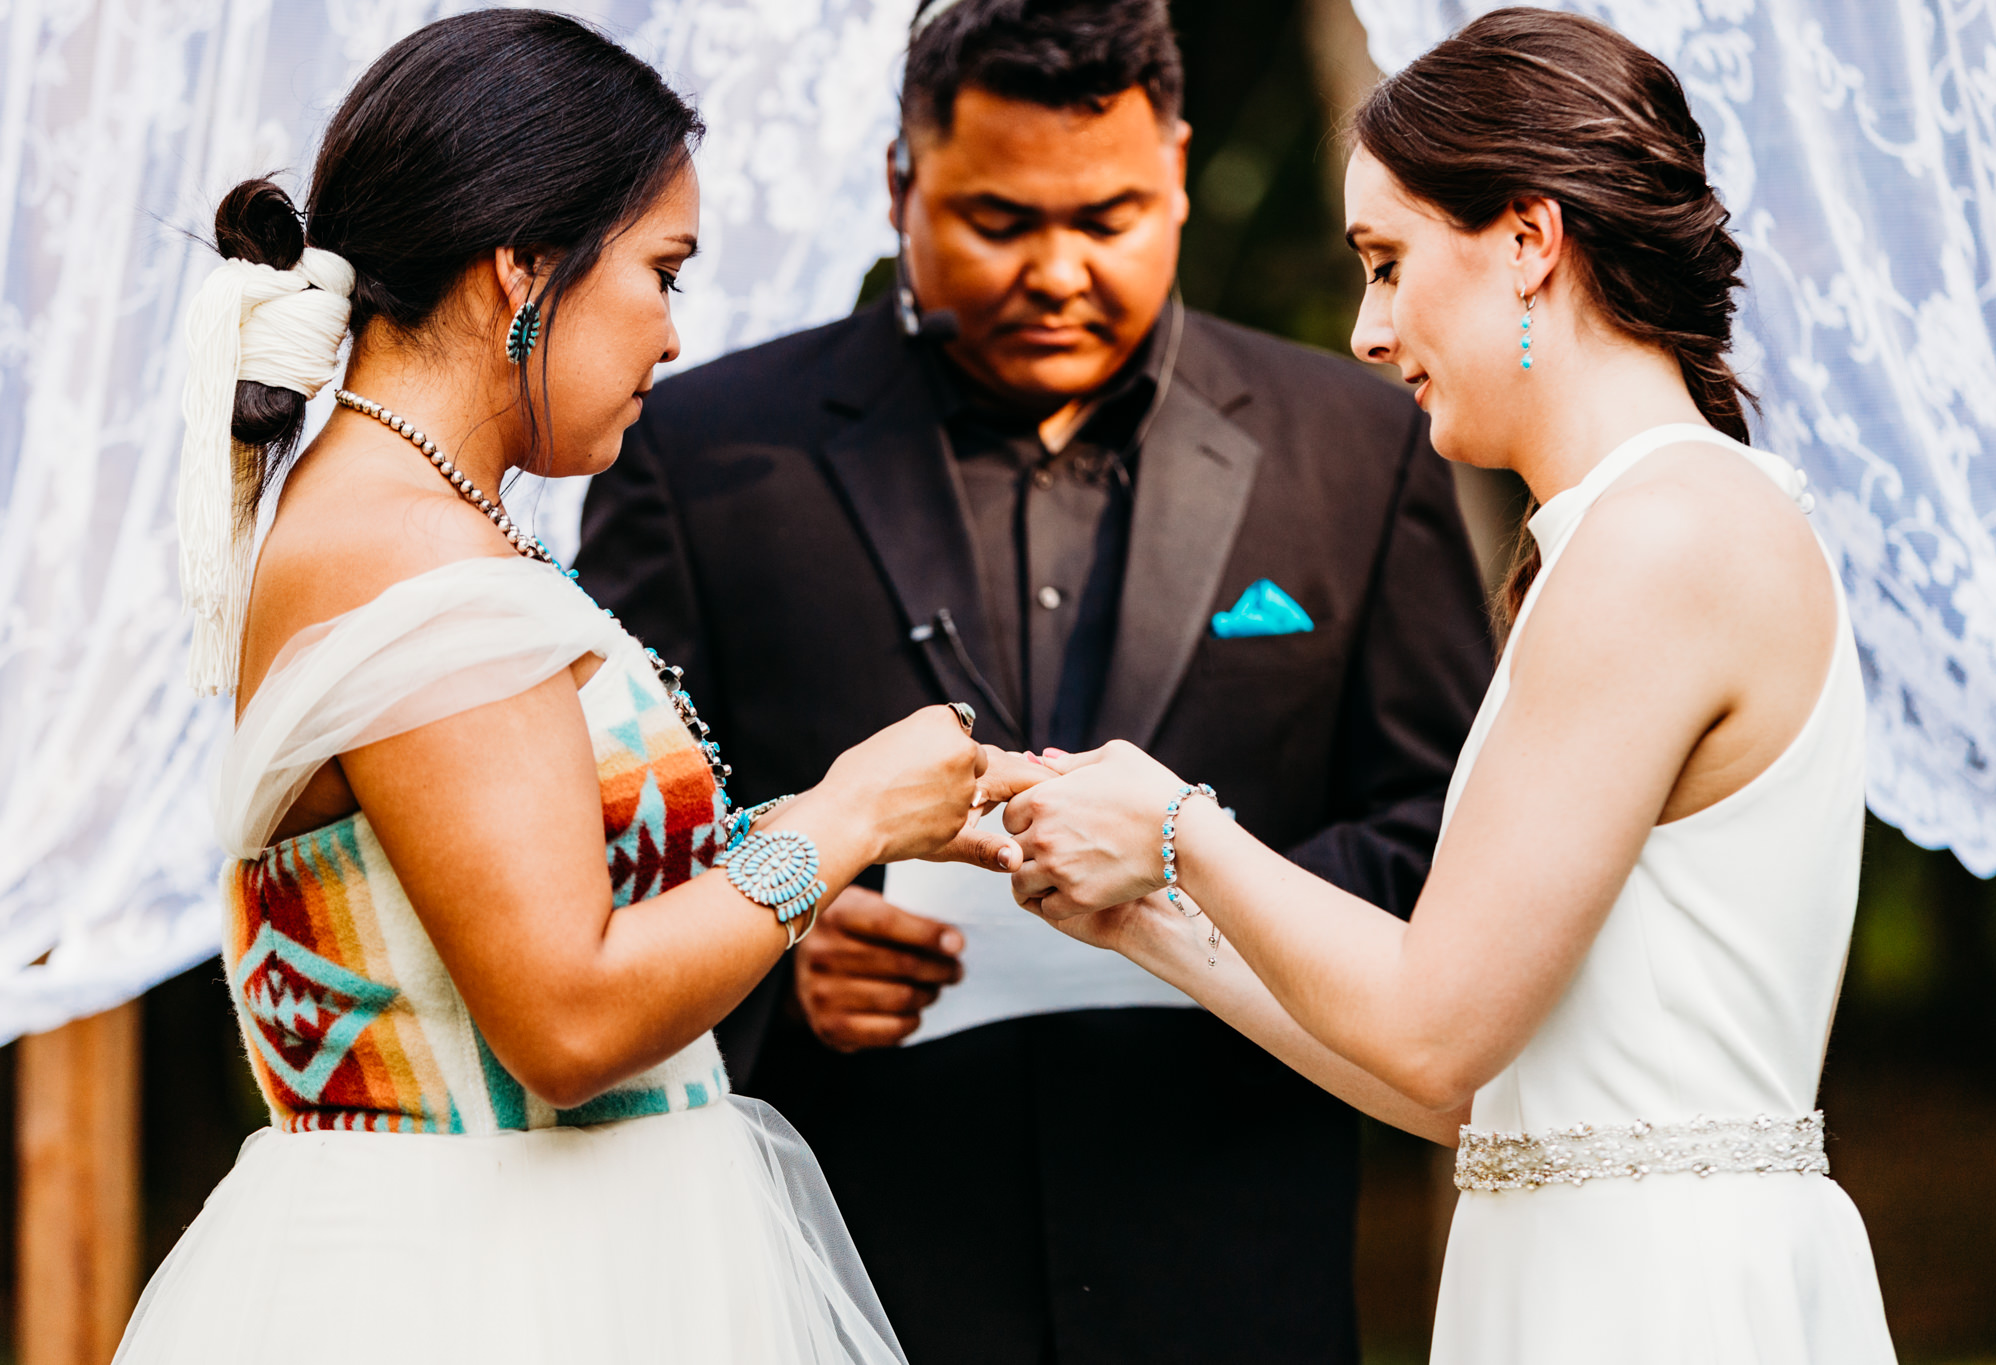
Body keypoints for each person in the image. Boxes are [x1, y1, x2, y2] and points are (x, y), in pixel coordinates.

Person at [574, 0, 1492, 1359]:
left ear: (1178, 169)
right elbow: (614, 856)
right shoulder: (698, 452)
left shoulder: (1358, 445)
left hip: (1234, 1263)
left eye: (1110, 217)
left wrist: (1201, 880)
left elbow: (1452, 839)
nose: (1058, 271)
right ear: (901, 185)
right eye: (1000, 222)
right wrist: (779, 952)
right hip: (849, 1279)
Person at [120, 12, 1029, 1362]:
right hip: (485, 1290)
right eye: (663, 271)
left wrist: (845, 824)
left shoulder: (417, 509)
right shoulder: (401, 546)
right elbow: (567, 1015)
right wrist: (843, 819)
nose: (673, 334)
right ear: (526, 271)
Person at [1002, 9, 1900, 1362]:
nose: (1367, 331)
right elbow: (1466, 1088)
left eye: (1386, 262)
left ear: (1530, 242)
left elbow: (1433, 1029)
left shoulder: (1666, 540)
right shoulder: (1627, 531)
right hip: (1578, 1268)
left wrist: (1183, 825)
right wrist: (1145, 920)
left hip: (1657, 1302)